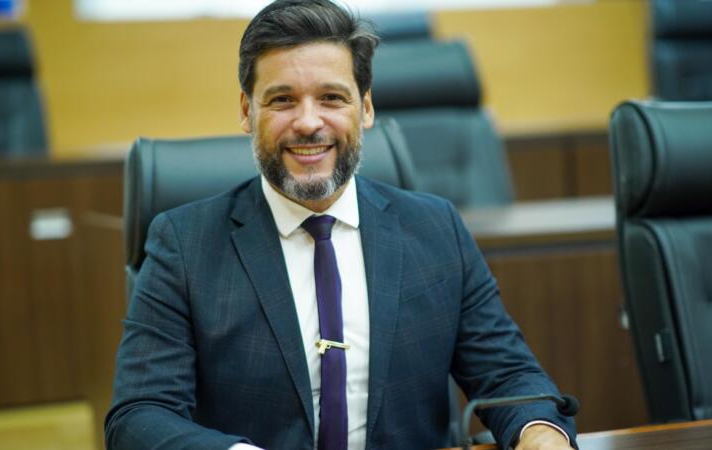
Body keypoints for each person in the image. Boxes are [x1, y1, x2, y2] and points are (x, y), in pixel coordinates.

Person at [105, 1, 576, 449]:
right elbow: (140, 415)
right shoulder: (185, 244)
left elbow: (508, 376)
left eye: (331, 97)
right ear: (247, 111)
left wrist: (539, 432)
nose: (308, 123)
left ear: (365, 108)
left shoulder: (436, 229)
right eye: (282, 100)